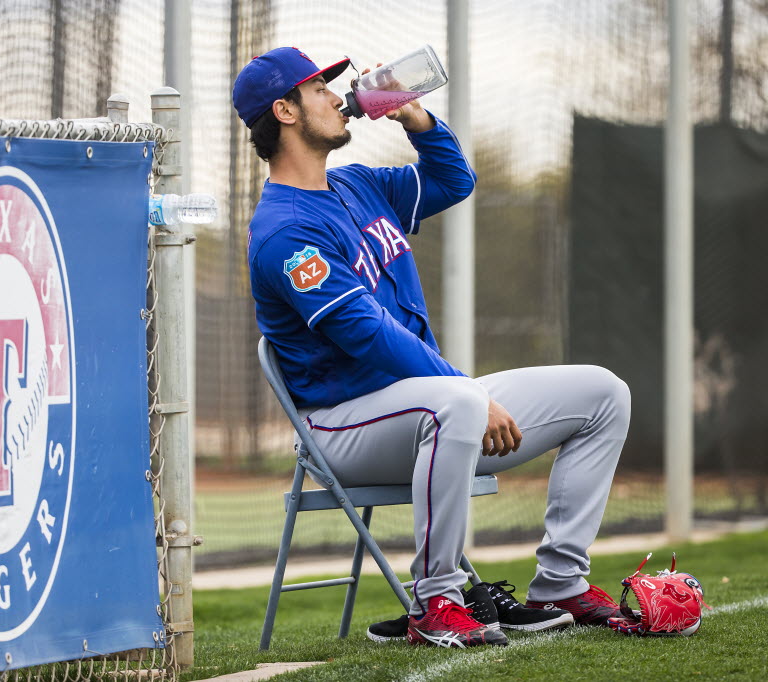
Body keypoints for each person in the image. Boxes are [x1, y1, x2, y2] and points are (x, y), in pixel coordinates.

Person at [232, 47, 631, 649]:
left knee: (604, 393)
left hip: (432, 402)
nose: (340, 97)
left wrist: (417, 120)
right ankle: (436, 601)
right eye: (320, 89)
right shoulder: (285, 228)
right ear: (285, 111)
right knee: (458, 403)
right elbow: (366, 333)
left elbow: (453, 181)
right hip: (341, 427)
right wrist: (465, 390)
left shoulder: (358, 185)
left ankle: (560, 582)